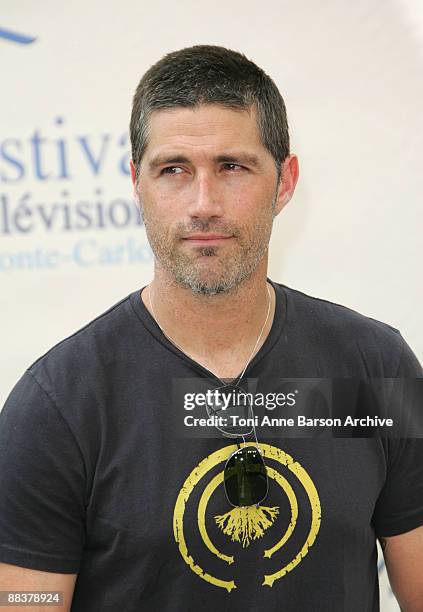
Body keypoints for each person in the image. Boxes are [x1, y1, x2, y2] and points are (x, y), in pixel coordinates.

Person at [0, 45, 422, 612]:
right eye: (173, 170)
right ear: (136, 183)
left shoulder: (376, 368)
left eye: (232, 167)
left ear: (285, 180)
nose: (203, 204)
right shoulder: (56, 405)